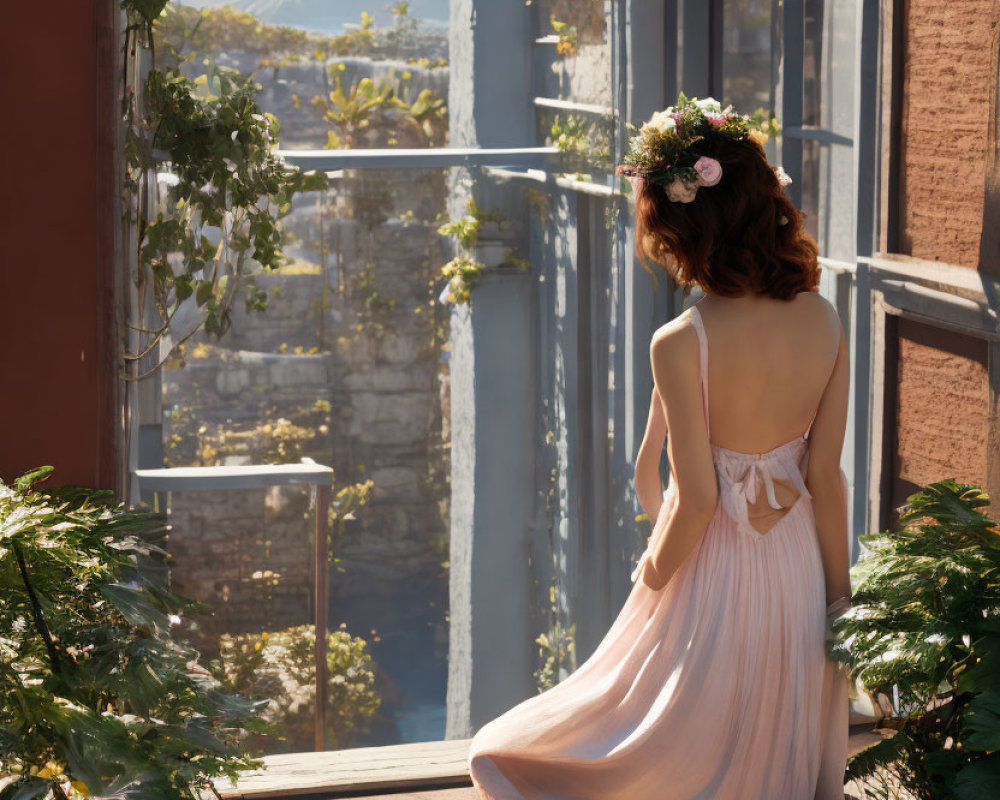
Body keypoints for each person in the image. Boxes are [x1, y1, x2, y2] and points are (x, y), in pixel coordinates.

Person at [466, 94, 852, 800]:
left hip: (713, 566)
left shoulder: (681, 341)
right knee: (768, 711)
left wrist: (652, 575)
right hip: (796, 561)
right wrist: (839, 596)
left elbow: (699, 498)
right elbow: (825, 476)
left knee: (664, 715)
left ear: (688, 233)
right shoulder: (826, 319)